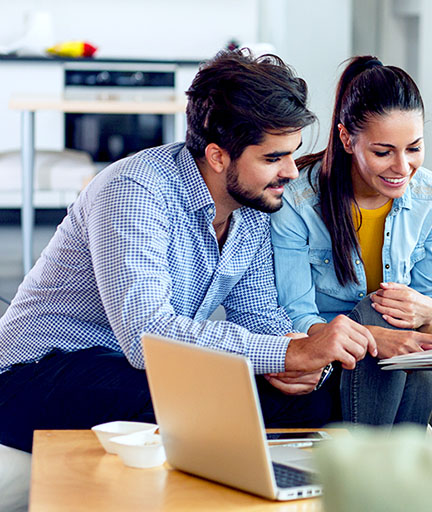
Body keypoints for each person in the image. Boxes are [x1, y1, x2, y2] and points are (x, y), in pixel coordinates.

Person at [0, 49, 378, 453]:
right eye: (273, 157)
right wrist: (287, 352)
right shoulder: (134, 191)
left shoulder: (250, 208)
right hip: (38, 372)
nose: (289, 171)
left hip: (133, 370)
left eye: (291, 152)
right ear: (218, 156)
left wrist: (304, 364)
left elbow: (259, 314)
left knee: (311, 398)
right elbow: (147, 334)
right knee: (204, 398)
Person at [271, 56, 432, 426]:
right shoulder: (298, 200)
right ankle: (394, 464)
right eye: (383, 152)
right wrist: (374, 336)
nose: (402, 167)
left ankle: (387, 467)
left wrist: (426, 314)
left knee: (399, 317)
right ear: (346, 139)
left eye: (414, 148)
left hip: (393, 365)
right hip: (325, 357)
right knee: (380, 312)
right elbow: (296, 314)